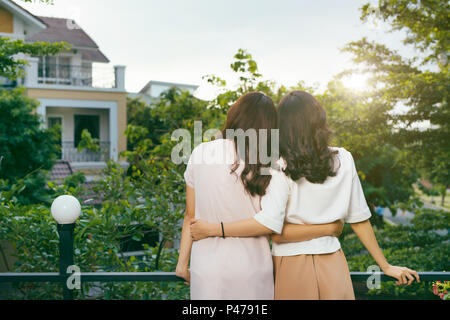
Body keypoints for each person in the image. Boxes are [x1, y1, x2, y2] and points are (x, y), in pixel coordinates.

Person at [190, 90, 420, 300]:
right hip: (333, 261)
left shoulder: (277, 165)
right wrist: (385, 265)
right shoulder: (344, 159)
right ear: (319, 120)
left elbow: (276, 233)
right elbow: (359, 218)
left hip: (289, 264)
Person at [175, 91, 343, 300]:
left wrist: (182, 264)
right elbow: (269, 223)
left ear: (234, 115)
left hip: (206, 268)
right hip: (252, 269)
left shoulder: (200, 153)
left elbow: (190, 216)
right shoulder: (267, 160)